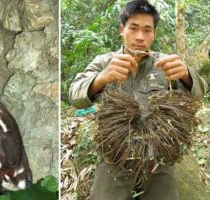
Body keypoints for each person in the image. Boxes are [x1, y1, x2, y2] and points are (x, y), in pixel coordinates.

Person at [69, 1, 208, 200]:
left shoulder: (165, 63)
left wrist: (186, 74)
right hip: (115, 155)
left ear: (154, 34)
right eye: (133, 28)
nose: (140, 37)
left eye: (147, 30)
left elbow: (200, 91)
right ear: (122, 30)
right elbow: (75, 96)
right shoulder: (104, 62)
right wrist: (102, 78)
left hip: (158, 156)